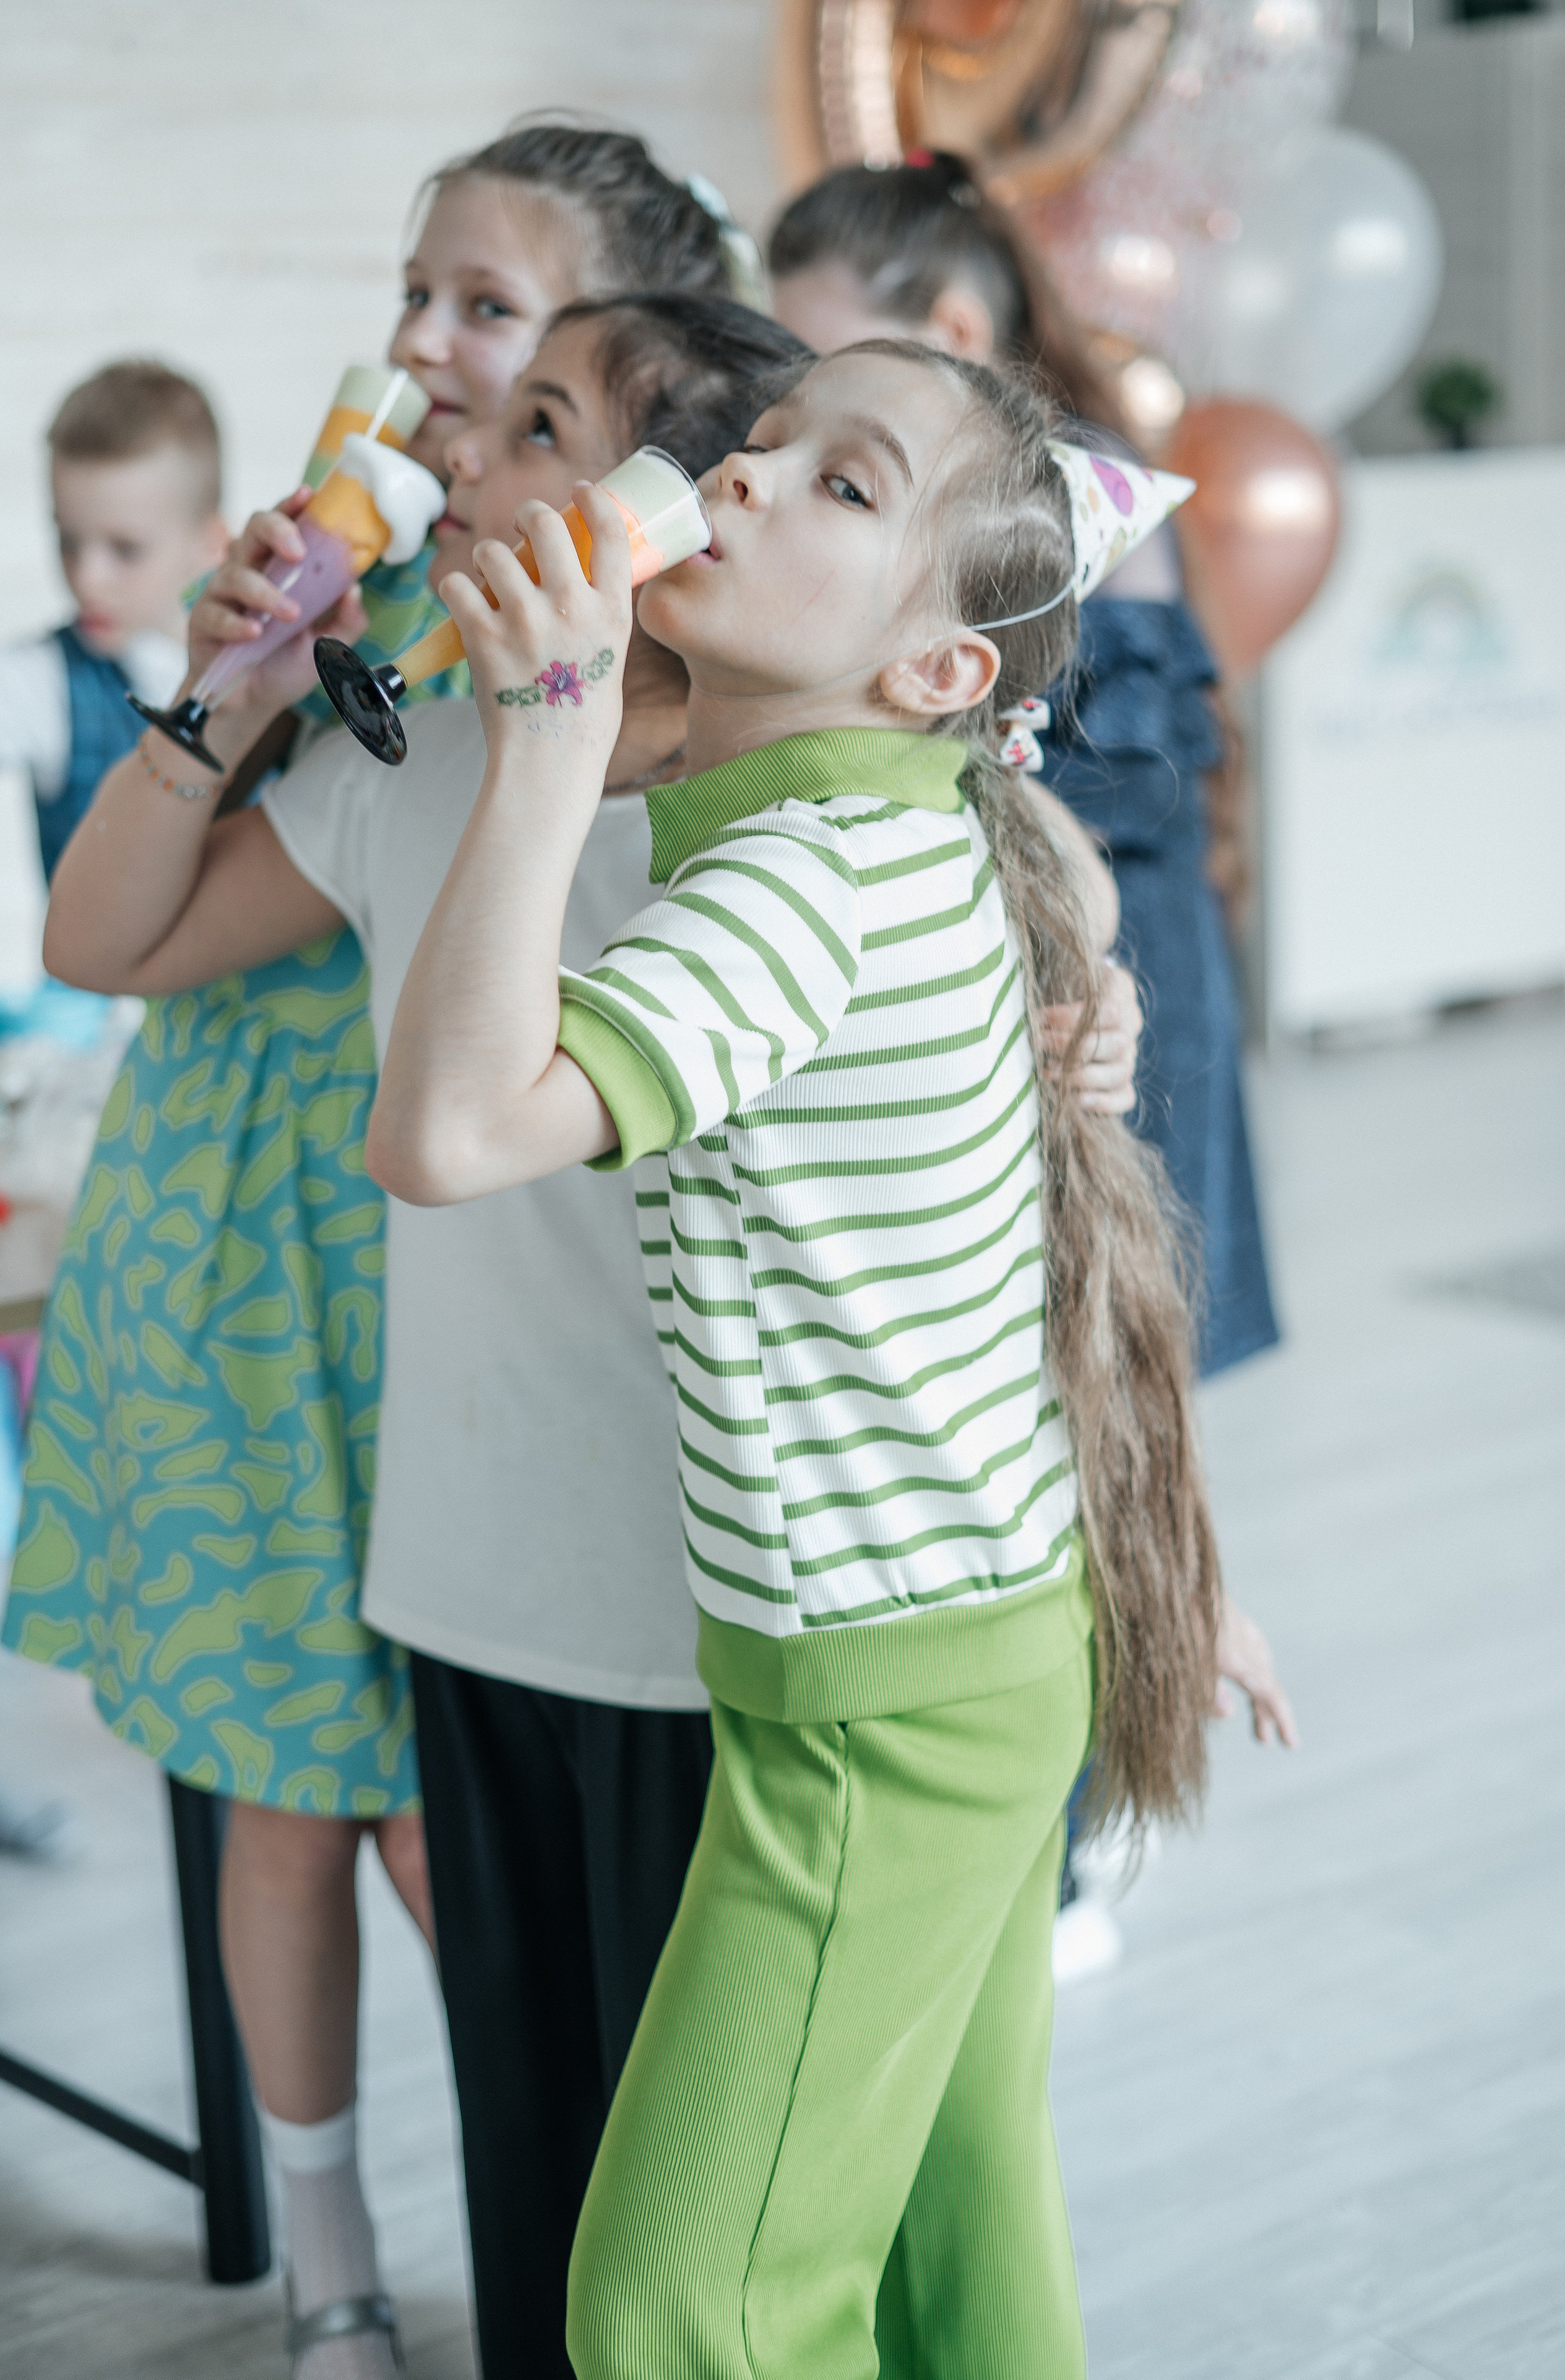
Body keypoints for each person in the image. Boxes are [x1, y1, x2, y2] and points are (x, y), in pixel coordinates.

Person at [359, 341, 1225, 2380]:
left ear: (942, 673)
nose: (737, 481)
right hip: (979, 1657)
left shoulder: (796, 887)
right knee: (953, 2226)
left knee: (681, 2299)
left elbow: (447, 1133)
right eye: (755, 444)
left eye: (841, 486)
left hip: (874, 1706)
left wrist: (552, 735)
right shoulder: (896, 822)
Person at [33, 291, 866, 2380]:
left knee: (696, 2217)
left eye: (532, 416)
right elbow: (111, 934)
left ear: (668, 508)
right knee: (540, 2162)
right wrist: (232, 687)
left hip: (712, 1608)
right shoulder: (416, 759)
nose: (463, 442)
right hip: (467, 1585)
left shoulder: (788, 811)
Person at [769, 153, 1296, 1971]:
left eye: (827, 351)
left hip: (1102, 1001)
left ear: (955, 327)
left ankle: (1083, 1822)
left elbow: (1121, 813)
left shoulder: (1061, 505)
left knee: (1094, 1393)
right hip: (1038, 984)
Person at [0, 360, 228, 881]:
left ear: (210, 543)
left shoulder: (266, 675)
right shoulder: (42, 681)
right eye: (68, 540)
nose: (87, 579)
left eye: (125, 549)